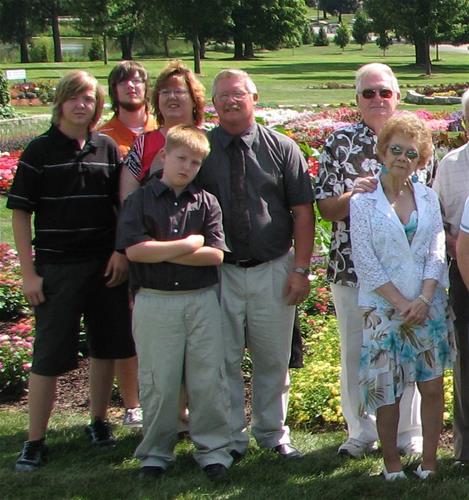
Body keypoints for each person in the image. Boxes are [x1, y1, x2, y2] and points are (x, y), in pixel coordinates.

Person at [8, 71, 135, 471]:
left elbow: (121, 206)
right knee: (48, 355)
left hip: (105, 267)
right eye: (74, 98)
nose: (82, 105)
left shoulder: (107, 147)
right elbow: (20, 214)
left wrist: (120, 252)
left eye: (89, 99)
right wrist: (29, 273)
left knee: (106, 348)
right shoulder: (40, 150)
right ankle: (34, 440)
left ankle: (98, 422)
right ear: (60, 103)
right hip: (57, 268)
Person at [197, 69, 315, 459]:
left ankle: (272, 433)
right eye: (223, 96)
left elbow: (302, 212)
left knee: (273, 359)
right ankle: (231, 438)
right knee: (223, 360)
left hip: (273, 268)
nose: (231, 101)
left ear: (255, 98)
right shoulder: (202, 149)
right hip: (219, 272)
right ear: (213, 104)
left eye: (238, 94)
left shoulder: (282, 148)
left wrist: (300, 269)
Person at [316, 63, 422, 458]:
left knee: (406, 350)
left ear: (397, 96)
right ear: (357, 98)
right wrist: (354, 195)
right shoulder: (339, 142)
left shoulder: (415, 140)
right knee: (355, 352)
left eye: (384, 92)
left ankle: (408, 432)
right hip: (352, 271)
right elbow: (326, 209)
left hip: (404, 273)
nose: (377, 99)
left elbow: (427, 204)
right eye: (368, 93)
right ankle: (361, 432)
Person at [116, 124, 232, 481]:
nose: (187, 167)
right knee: (159, 381)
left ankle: (213, 450)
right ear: (164, 156)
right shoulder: (140, 201)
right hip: (155, 300)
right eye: (181, 158)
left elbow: (215, 256)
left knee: (206, 379)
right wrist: (189, 244)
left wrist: (160, 250)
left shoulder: (206, 202)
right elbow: (136, 251)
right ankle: (155, 453)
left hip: (201, 300)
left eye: (195, 162)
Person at [350, 113, 454, 479]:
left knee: (432, 385)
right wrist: (400, 304)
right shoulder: (363, 202)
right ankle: (392, 464)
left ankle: (429, 461)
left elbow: (437, 250)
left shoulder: (427, 197)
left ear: (421, 160)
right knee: (387, 392)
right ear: (382, 151)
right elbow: (365, 260)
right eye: (396, 150)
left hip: (428, 307)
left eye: (412, 154)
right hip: (382, 309)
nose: (402, 158)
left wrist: (424, 299)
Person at [98, 60, 157, 428]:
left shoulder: (160, 129)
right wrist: (120, 248)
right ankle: (133, 403)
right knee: (128, 325)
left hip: (167, 240)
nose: (132, 87)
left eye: (138, 81)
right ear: (114, 89)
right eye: (124, 82)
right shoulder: (105, 135)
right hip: (125, 242)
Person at [433, 89, 469, 466]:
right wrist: (453, 242)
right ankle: (466, 449)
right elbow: (436, 220)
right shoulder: (451, 164)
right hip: (464, 271)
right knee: (466, 359)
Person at [120, 59, 205, 200]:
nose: (172, 96)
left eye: (179, 91)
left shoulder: (209, 139)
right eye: (165, 92)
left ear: (194, 100)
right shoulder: (143, 144)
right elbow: (128, 198)